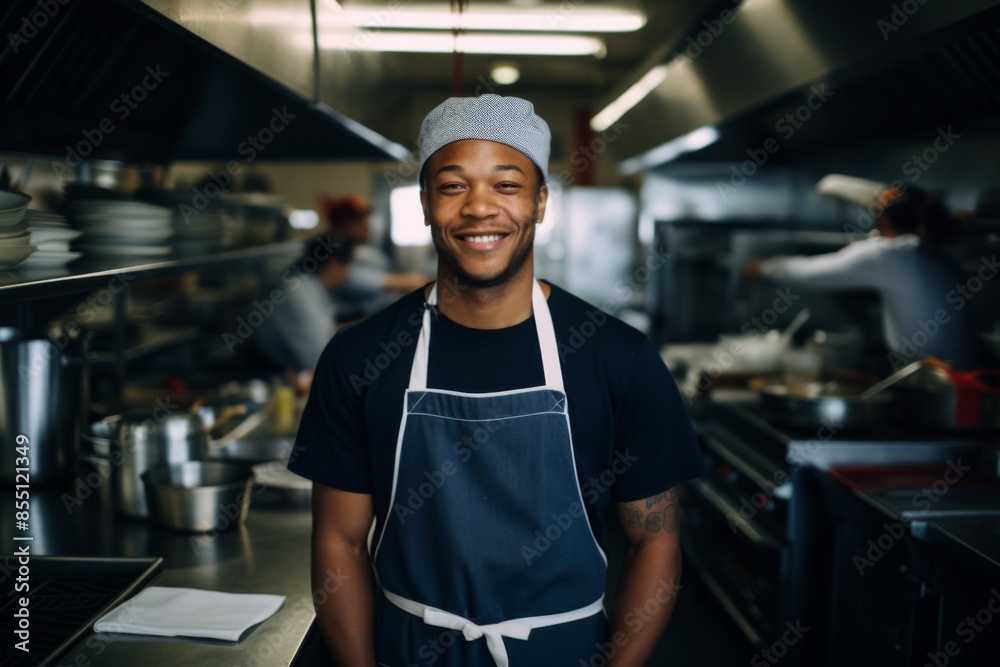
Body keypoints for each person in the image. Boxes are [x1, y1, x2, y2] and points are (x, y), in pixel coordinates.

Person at [290, 93, 706, 666]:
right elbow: (338, 541)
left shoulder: (618, 358)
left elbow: (655, 539)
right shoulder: (360, 357)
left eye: (506, 185)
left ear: (540, 202)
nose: (479, 208)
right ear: (425, 202)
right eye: (453, 185)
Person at [745, 184, 970, 367]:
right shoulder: (938, 252)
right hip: (965, 372)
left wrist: (764, 268)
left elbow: (811, 272)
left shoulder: (887, 254)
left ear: (884, 218)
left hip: (926, 377)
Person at [253, 234, 354, 394]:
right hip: (271, 378)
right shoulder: (298, 292)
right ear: (333, 265)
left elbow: (326, 332)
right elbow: (318, 359)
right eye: (348, 264)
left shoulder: (310, 286)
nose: (350, 272)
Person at [320, 193, 428, 319]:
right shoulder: (334, 256)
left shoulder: (363, 250)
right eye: (358, 220)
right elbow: (358, 279)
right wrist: (407, 283)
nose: (366, 225)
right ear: (343, 224)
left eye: (365, 219)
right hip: (352, 321)